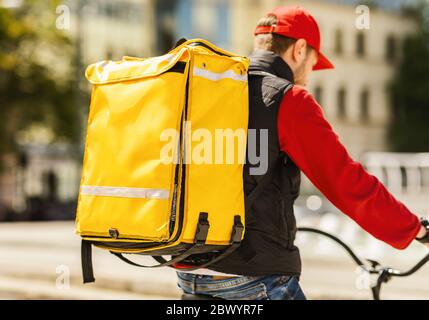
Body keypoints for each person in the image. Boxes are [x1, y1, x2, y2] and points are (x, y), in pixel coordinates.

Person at [174, 5, 429, 300]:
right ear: (300, 50)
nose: (308, 76)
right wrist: (416, 230)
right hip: (254, 278)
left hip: (190, 273)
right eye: (312, 63)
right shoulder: (289, 99)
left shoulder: (211, 92)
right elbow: (347, 182)